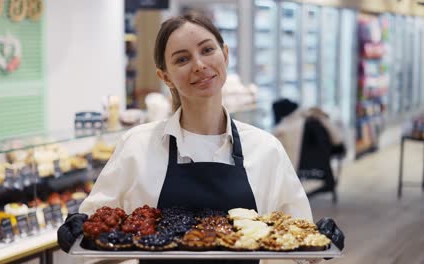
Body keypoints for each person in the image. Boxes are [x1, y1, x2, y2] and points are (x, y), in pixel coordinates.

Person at [58, 13, 344, 264]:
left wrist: (321, 242)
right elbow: (94, 241)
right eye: (182, 59)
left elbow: (299, 244)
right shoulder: (137, 146)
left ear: (225, 55)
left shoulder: (266, 149)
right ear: (165, 76)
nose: (199, 65)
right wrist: (80, 230)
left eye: (207, 50)